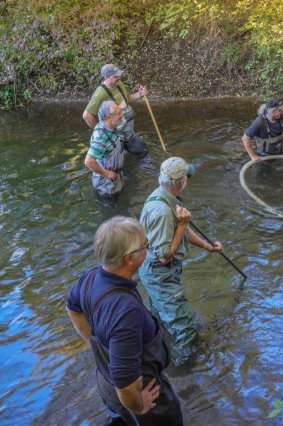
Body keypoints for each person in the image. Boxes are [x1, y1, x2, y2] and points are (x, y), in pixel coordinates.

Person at [66, 216, 183, 425]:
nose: (147, 247)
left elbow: (72, 308)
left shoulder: (90, 277)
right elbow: (126, 384)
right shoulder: (125, 312)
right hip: (140, 397)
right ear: (130, 259)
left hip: (106, 387)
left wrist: (93, 341)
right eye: (144, 245)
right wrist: (139, 405)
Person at [138, 156, 223, 363]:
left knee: (162, 320)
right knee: (186, 330)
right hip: (159, 273)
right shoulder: (161, 212)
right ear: (180, 182)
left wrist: (206, 246)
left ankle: (161, 355)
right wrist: (184, 225)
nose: (188, 180)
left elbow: (178, 232)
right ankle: (183, 368)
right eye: (186, 176)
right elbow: (165, 256)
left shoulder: (165, 196)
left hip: (158, 272)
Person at [83, 64, 153, 171]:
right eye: (115, 76)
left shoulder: (119, 84)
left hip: (128, 133)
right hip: (115, 137)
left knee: (143, 150)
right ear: (106, 77)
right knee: (116, 166)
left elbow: (126, 99)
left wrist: (139, 94)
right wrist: (102, 130)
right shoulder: (100, 94)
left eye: (118, 75)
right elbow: (87, 116)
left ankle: (145, 172)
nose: (118, 78)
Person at [84, 100, 125, 200]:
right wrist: (106, 173)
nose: (122, 115)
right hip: (107, 184)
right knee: (111, 208)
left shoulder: (111, 127)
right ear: (108, 117)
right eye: (119, 113)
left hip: (115, 176)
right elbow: (88, 162)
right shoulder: (101, 137)